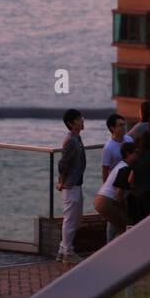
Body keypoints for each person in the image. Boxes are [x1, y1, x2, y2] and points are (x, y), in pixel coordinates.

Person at [55, 109, 86, 263]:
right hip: (71, 186)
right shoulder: (71, 141)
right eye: (79, 119)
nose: (82, 121)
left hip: (76, 184)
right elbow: (63, 165)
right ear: (71, 123)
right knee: (70, 220)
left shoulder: (77, 138)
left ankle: (62, 250)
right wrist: (61, 182)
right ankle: (68, 252)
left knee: (75, 219)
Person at [95, 138, 133, 241]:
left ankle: (108, 249)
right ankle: (112, 251)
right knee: (127, 226)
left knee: (114, 224)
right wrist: (122, 209)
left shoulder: (120, 165)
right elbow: (119, 194)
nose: (138, 156)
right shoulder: (126, 169)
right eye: (136, 153)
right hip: (107, 201)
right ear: (128, 154)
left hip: (100, 199)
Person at [101, 113, 130, 242]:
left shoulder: (129, 140)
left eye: (124, 125)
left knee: (125, 215)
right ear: (112, 128)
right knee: (113, 219)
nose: (123, 128)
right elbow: (105, 169)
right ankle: (109, 245)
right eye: (120, 125)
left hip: (128, 184)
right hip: (115, 187)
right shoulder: (109, 147)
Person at [126, 130, 150, 225]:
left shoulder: (139, 157)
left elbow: (130, 179)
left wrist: (136, 191)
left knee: (143, 224)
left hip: (140, 196)